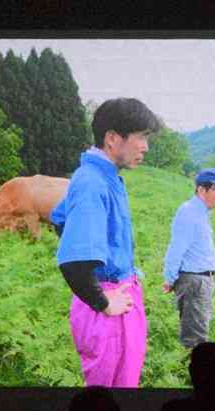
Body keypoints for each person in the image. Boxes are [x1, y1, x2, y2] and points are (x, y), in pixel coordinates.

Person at [52, 97, 162, 388]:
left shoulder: (104, 175)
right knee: (110, 401)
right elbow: (74, 261)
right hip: (108, 312)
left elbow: (59, 218)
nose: (145, 147)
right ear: (112, 138)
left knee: (123, 388)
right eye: (140, 137)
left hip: (119, 297)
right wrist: (102, 300)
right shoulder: (92, 181)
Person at [162, 168, 215, 349]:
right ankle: (196, 373)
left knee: (196, 331)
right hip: (195, 281)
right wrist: (170, 278)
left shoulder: (200, 212)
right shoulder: (189, 213)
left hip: (200, 280)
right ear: (202, 190)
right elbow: (176, 248)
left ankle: (193, 369)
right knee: (196, 339)